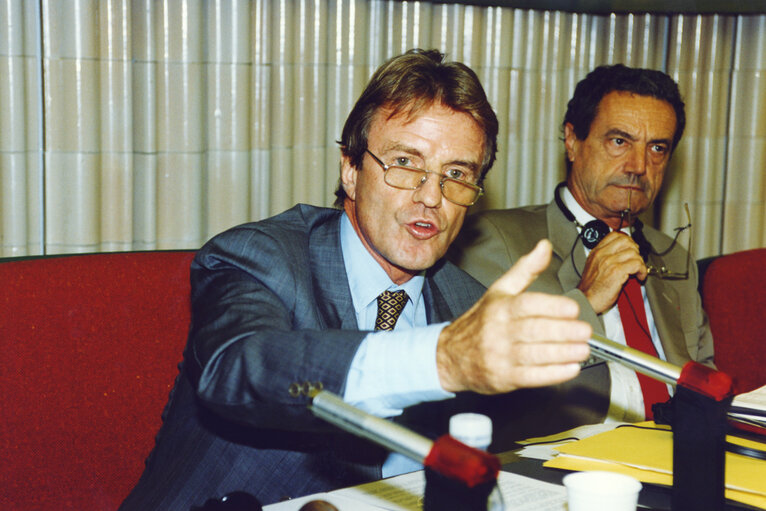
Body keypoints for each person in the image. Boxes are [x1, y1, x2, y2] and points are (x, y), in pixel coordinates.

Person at [120, 49, 591, 510]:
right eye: (406, 163)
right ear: (351, 169)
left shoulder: (468, 304)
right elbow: (238, 367)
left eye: (456, 173)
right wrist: (441, 359)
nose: (431, 196)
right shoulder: (261, 257)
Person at [449, 64, 714, 444]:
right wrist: (586, 300)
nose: (639, 166)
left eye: (657, 148)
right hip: (566, 462)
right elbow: (488, 395)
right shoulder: (495, 242)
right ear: (572, 141)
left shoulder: (672, 258)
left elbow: (705, 378)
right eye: (619, 141)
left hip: (679, 456)